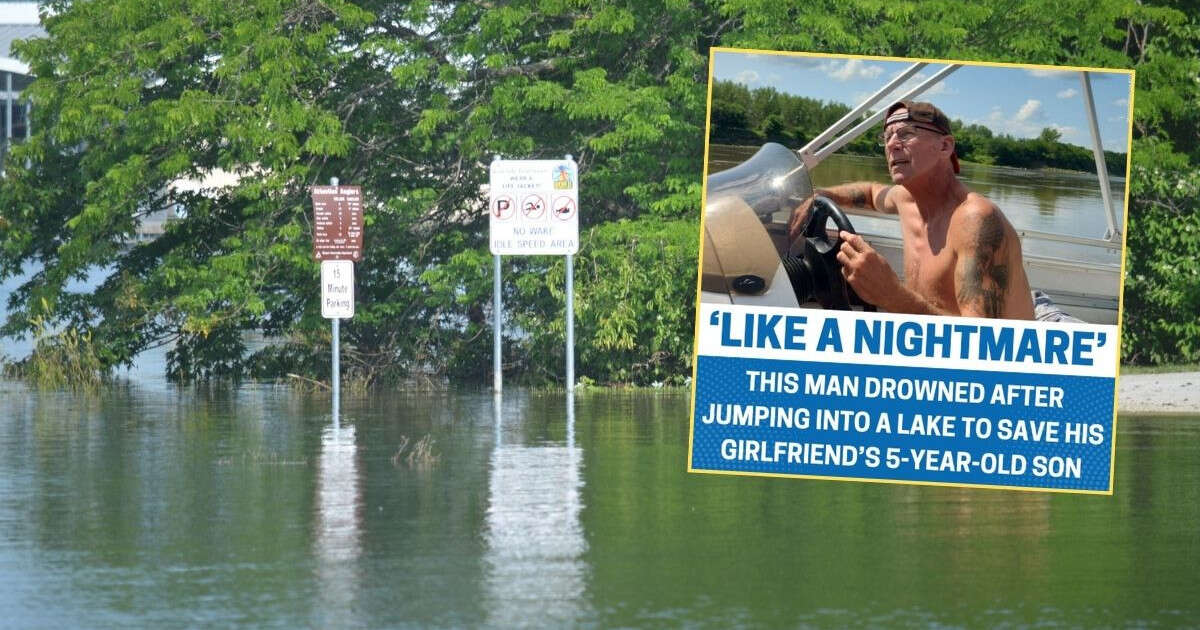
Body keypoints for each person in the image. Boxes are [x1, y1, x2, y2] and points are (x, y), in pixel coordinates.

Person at [787, 100, 1037, 320]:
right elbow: (872, 193)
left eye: (906, 134)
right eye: (886, 137)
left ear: (945, 146)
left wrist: (892, 294)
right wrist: (822, 195)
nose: (892, 145)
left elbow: (982, 343)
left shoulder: (975, 221)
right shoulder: (906, 198)